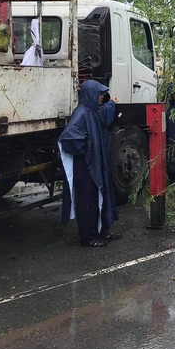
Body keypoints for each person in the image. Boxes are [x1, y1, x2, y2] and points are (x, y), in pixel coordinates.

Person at [59, 80, 120, 247]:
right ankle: (88, 238)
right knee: (88, 201)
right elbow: (68, 137)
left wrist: (112, 103)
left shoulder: (91, 112)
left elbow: (104, 114)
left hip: (92, 164)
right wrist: (86, 149)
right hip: (85, 167)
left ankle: (99, 232)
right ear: (91, 95)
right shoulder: (82, 113)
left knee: (97, 198)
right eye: (99, 95)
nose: (101, 98)